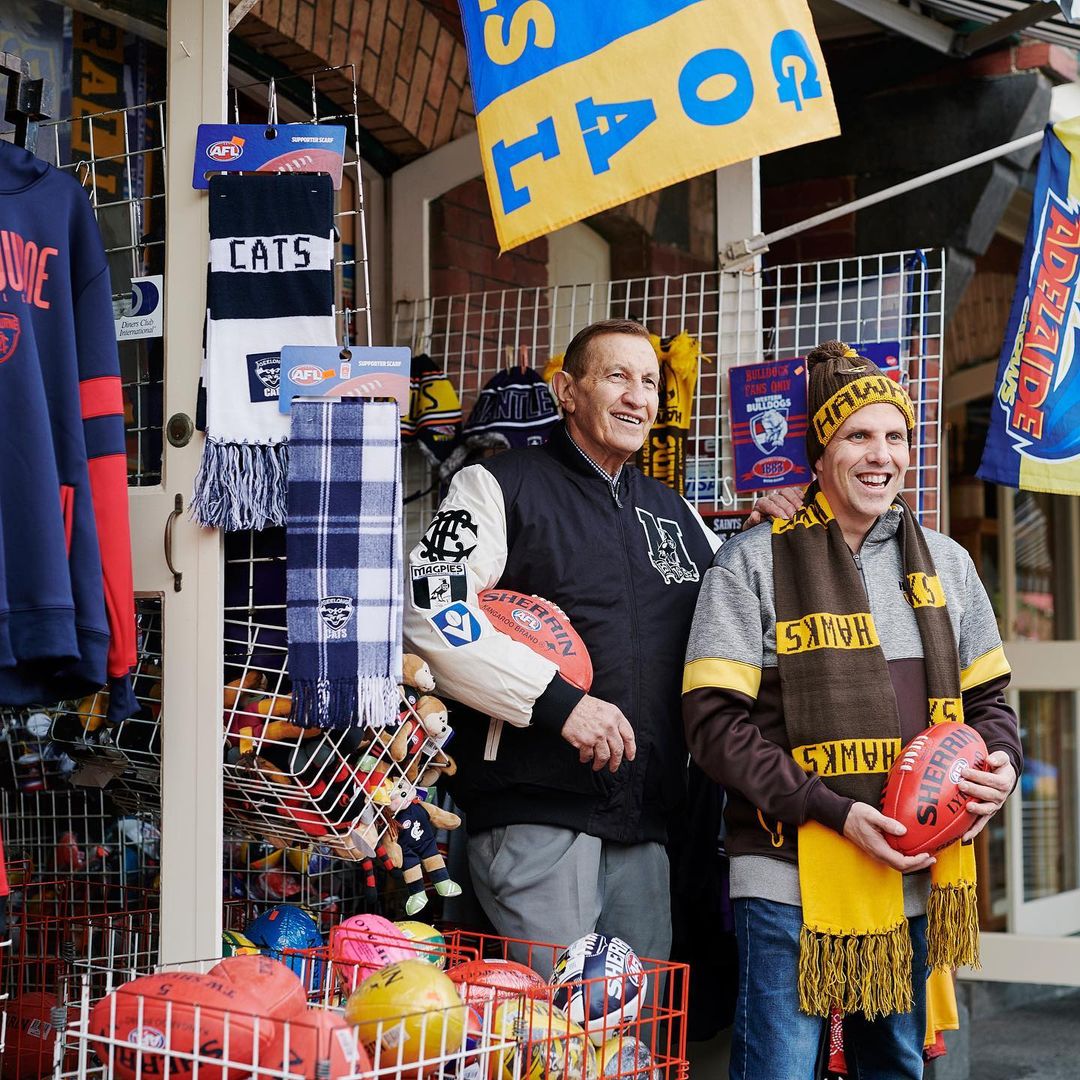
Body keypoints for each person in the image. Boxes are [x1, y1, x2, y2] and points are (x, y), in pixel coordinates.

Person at [682, 340, 1023, 1079]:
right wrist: (832, 810)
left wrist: (1001, 763)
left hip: (915, 864)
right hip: (788, 866)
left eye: (896, 436)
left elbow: (989, 701)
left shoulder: (949, 564)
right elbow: (713, 725)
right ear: (819, 452)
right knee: (779, 1067)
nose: (881, 455)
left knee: (893, 1065)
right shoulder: (752, 561)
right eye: (858, 435)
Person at [403, 318, 718, 972]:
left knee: (640, 1028)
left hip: (647, 825)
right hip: (537, 819)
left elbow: (738, 617)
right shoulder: (494, 485)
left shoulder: (675, 512)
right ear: (567, 391)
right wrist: (559, 704)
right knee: (550, 1024)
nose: (637, 396)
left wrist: (781, 534)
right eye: (617, 376)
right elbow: (430, 608)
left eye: (650, 382)